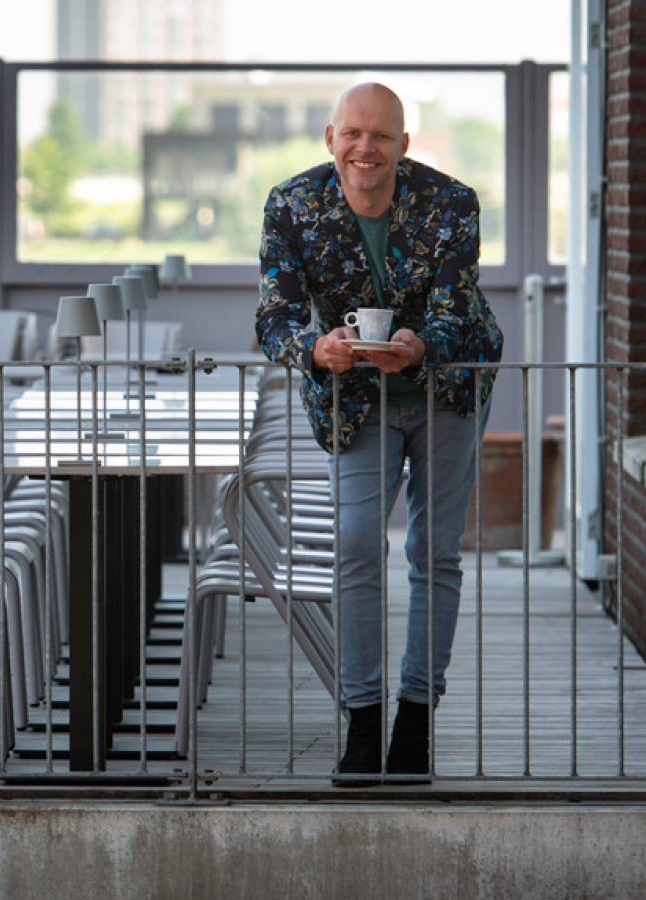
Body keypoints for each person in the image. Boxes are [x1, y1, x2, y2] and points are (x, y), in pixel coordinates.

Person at [255, 83, 503, 782]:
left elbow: (457, 309)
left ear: (403, 145)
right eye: (354, 134)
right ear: (332, 138)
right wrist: (314, 349)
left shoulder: (453, 203)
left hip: (447, 383)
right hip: (355, 393)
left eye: (383, 136)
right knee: (358, 544)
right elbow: (272, 316)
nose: (368, 148)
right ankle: (362, 721)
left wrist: (420, 345)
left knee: (435, 549)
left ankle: (415, 720)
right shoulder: (292, 205)